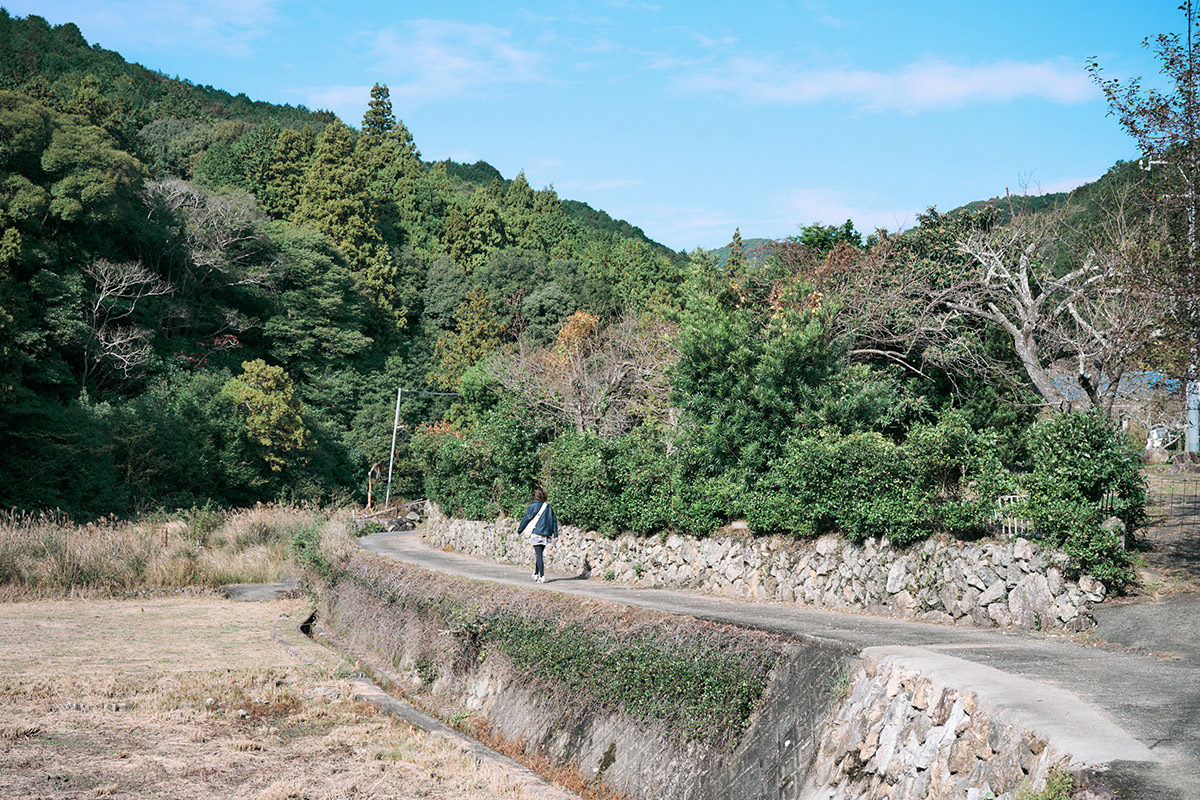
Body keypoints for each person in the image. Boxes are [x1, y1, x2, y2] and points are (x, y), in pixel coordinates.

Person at [518, 487, 558, 583]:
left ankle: (542, 576)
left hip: (536, 533)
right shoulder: (548, 507)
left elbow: (526, 519)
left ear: (536, 496)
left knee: (538, 555)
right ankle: (536, 573)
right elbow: (554, 521)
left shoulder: (532, 506)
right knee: (539, 554)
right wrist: (555, 535)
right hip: (545, 534)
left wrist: (520, 530)